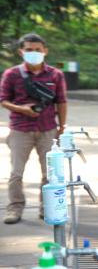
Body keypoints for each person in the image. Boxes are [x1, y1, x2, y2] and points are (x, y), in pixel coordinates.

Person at [0, 33, 67, 224]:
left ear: (45, 51)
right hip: (20, 129)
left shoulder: (56, 74)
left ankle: (46, 208)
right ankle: (15, 208)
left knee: (49, 173)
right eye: (29, 50)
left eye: (38, 50)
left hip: (47, 129)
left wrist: (61, 127)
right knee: (16, 173)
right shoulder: (11, 74)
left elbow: (61, 102)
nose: (34, 53)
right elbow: (3, 99)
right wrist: (20, 109)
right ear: (21, 51)